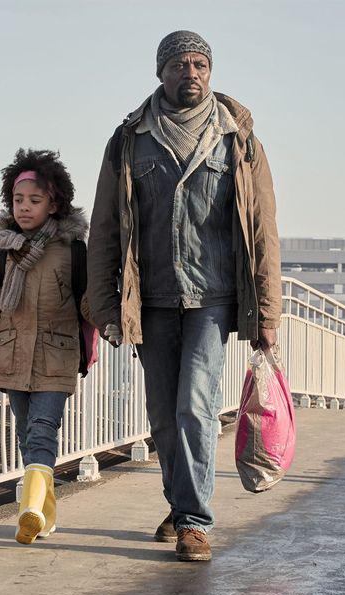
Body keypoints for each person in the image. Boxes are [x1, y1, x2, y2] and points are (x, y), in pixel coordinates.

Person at [86, 30, 281, 561]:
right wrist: (104, 306)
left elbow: (262, 229)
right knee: (162, 414)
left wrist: (267, 311)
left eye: (199, 63)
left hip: (212, 297)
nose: (189, 72)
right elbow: (105, 227)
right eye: (178, 64)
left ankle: (195, 521)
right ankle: (179, 504)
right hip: (148, 298)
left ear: (211, 72)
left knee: (195, 407)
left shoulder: (237, 139)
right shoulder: (130, 139)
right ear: (160, 73)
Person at [0, 149, 88, 544]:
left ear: (54, 203)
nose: (24, 208)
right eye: (18, 200)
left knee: (41, 430)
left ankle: (29, 509)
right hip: (12, 353)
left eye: (35, 201)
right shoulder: (0, 249)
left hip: (57, 354)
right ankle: (45, 516)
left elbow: (89, 302)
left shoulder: (73, 250)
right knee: (26, 435)